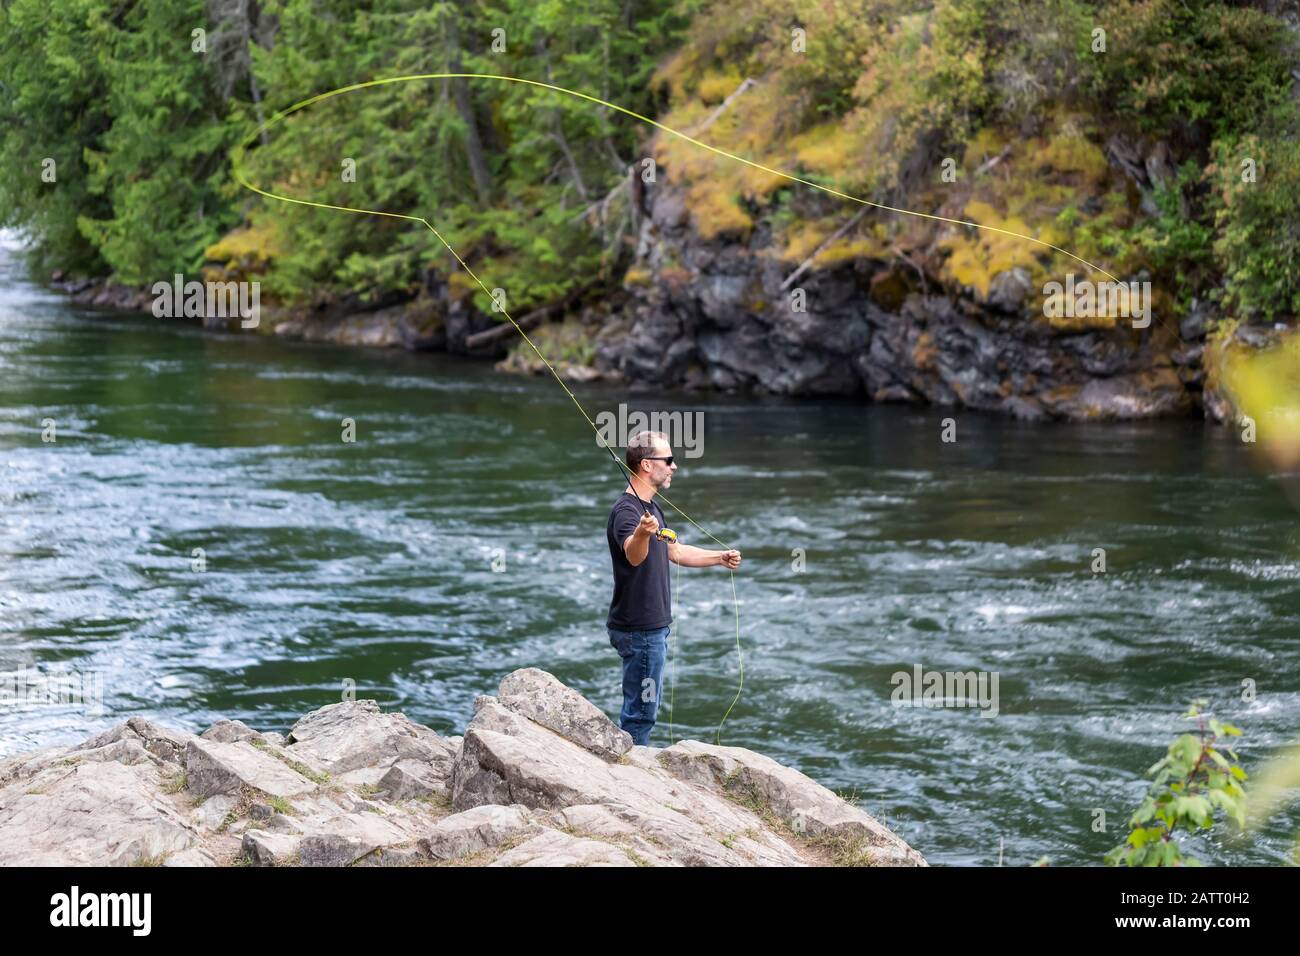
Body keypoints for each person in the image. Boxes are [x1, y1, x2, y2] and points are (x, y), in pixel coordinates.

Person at [605, 430, 741, 745]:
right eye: (668, 460)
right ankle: (630, 779)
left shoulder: (652, 509)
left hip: (651, 629)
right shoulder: (627, 513)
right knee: (641, 713)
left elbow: (675, 551)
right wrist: (641, 533)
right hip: (640, 629)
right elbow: (633, 555)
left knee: (643, 708)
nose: (674, 466)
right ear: (646, 466)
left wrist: (718, 558)